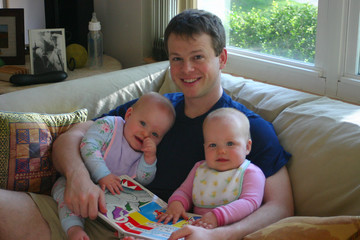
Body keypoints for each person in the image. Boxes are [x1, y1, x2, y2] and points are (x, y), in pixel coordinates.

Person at [0, 9, 293, 240]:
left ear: (222, 58)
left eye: (198, 57)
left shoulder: (248, 129)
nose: (186, 69)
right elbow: (74, 135)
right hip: (89, 213)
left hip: (168, 231)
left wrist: (219, 235)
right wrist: (78, 177)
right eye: (177, 59)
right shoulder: (156, 108)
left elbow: (281, 207)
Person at [51, 92, 175, 240]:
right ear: (129, 115)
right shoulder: (110, 125)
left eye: (154, 134)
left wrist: (149, 159)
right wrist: (103, 175)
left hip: (109, 201)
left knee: (128, 211)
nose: (145, 134)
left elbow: (143, 180)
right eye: (142, 123)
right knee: (67, 201)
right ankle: (74, 230)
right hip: (75, 185)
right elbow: (88, 145)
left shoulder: (142, 153)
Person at [157, 108, 265, 229]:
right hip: (197, 227)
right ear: (204, 148)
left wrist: (217, 216)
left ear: (247, 147)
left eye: (230, 143)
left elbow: (250, 202)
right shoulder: (200, 168)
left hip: (229, 232)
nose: (221, 151)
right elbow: (184, 191)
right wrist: (177, 204)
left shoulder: (251, 172)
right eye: (212, 145)